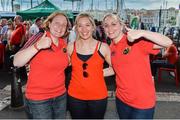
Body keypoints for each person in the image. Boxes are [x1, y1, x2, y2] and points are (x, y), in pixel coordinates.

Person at [102, 13, 172, 119]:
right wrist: (94, 73)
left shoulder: (137, 41)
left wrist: (142, 32)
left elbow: (168, 42)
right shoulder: (110, 47)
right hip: (121, 99)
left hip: (142, 102)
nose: (110, 28)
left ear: (121, 26)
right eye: (106, 25)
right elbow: (114, 69)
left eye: (113, 24)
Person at [13, 12, 70, 119]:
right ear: (49, 23)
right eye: (57, 23)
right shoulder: (39, 37)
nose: (60, 27)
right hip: (39, 99)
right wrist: (38, 46)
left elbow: (63, 64)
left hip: (61, 96)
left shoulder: (63, 43)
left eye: (64, 25)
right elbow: (16, 61)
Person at [66, 13, 112, 119]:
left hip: (98, 97)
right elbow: (63, 66)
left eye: (87, 25)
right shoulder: (70, 47)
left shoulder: (103, 47)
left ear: (92, 27)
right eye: (80, 25)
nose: (84, 29)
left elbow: (114, 68)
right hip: (75, 96)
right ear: (76, 28)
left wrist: (97, 73)